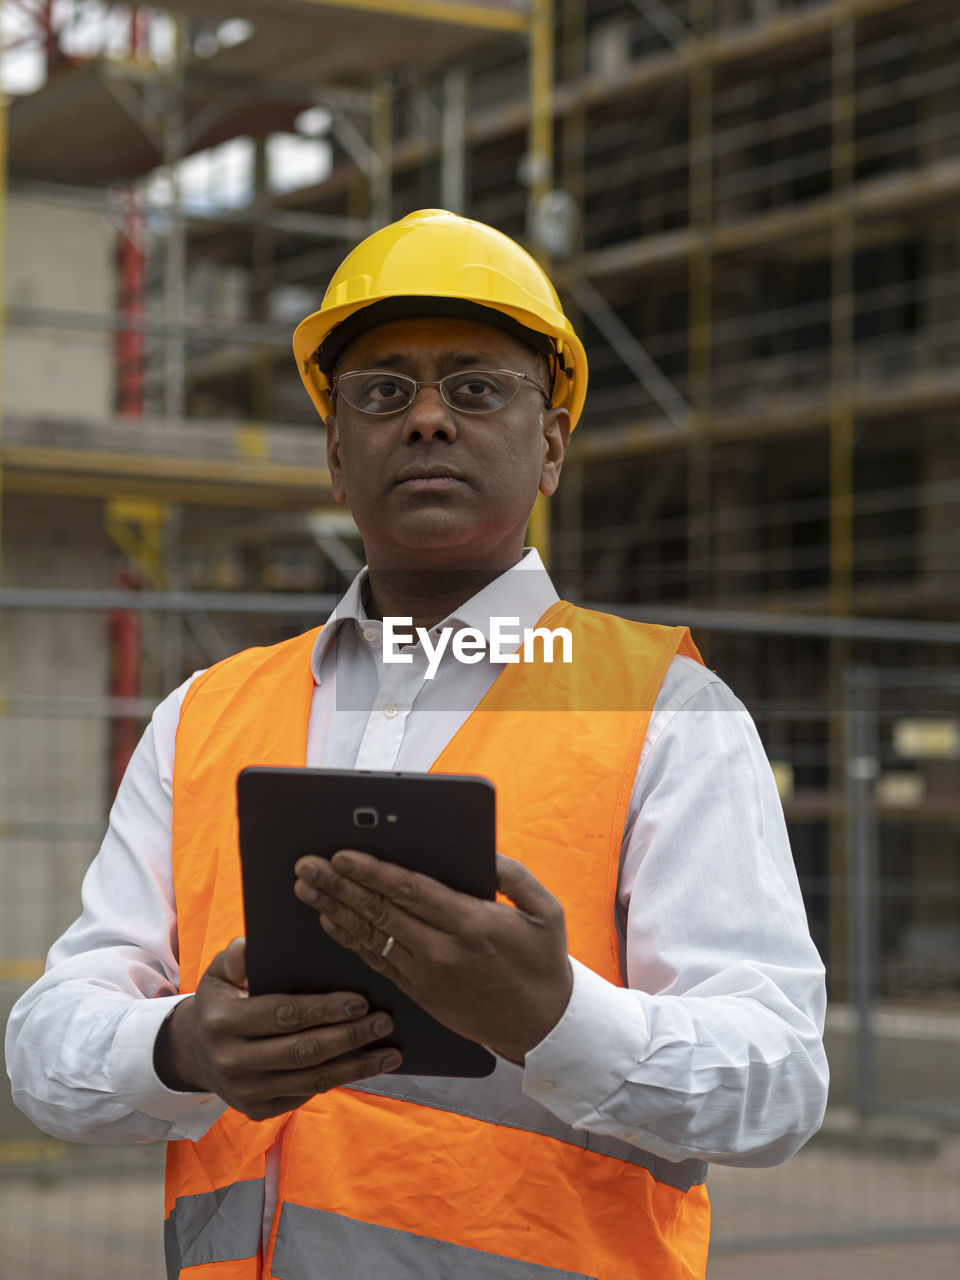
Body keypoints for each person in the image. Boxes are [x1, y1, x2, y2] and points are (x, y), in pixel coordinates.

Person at [6, 209, 828, 1280]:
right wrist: (182, 1046)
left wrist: (559, 1017)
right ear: (337, 454)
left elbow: (778, 1082)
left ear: (551, 446)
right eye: (383, 392)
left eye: (478, 388)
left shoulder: (671, 714)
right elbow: (46, 1045)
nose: (429, 418)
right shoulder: (205, 713)